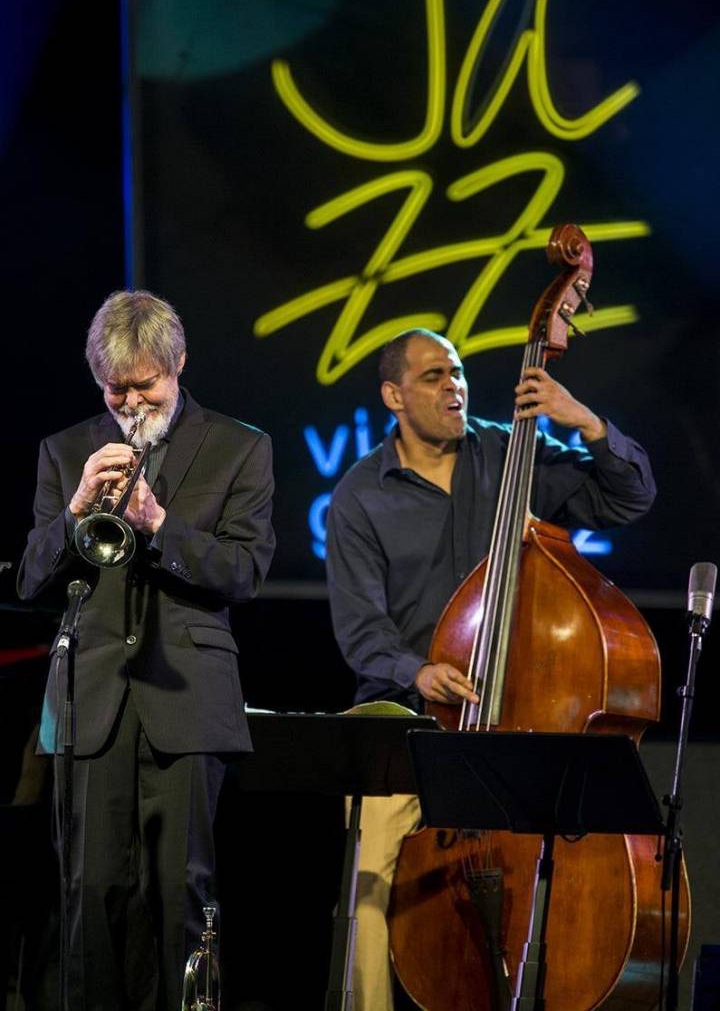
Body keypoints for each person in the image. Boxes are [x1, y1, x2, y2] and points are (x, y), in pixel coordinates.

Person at [325, 328, 656, 1011]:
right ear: (394, 396)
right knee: (370, 869)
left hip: (512, 719)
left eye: (458, 372)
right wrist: (417, 671)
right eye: (433, 376)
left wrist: (587, 422)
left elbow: (627, 499)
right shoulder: (360, 495)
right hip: (410, 718)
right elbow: (361, 633)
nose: (454, 385)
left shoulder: (510, 452)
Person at [17, 290, 275, 1011]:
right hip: (90, 701)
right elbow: (33, 576)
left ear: (179, 363)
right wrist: (74, 512)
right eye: (115, 387)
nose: (130, 402)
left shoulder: (240, 445)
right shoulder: (66, 450)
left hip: (187, 700)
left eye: (145, 385)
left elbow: (245, 572)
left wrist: (159, 523)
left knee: (180, 894)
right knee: (90, 894)